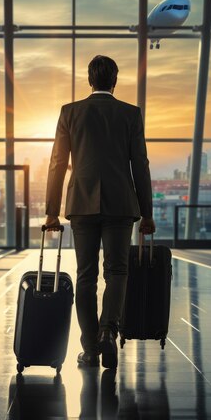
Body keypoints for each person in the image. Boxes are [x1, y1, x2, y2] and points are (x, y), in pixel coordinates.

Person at [45, 55, 155, 369]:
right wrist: (146, 214)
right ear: (114, 80)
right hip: (121, 205)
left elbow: (57, 163)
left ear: (90, 80)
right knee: (117, 271)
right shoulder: (130, 114)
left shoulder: (71, 112)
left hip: (81, 204)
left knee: (85, 276)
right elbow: (141, 166)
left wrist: (52, 212)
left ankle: (91, 348)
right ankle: (109, 330)